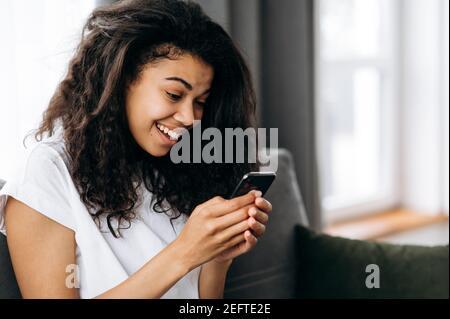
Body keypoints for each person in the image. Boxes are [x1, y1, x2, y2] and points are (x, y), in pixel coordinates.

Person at [0, 0, 272, 298]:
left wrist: (218, 259)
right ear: (122, 79)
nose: (189, 118)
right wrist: (184, 253)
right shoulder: (46, 173)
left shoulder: (175, 169)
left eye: (200, 102)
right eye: (174, 94)